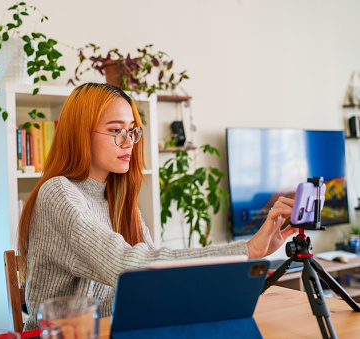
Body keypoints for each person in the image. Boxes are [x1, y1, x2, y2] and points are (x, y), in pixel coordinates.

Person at [17, 82, 297, 330]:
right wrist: (247, 250)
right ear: (81, 134)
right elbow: (127, 266)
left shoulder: (117, 196)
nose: (129, 143)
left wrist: (233, 276)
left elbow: (155, 271)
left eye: (132, 131)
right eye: (116, 130)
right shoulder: (58, 192)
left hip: (113, 329)